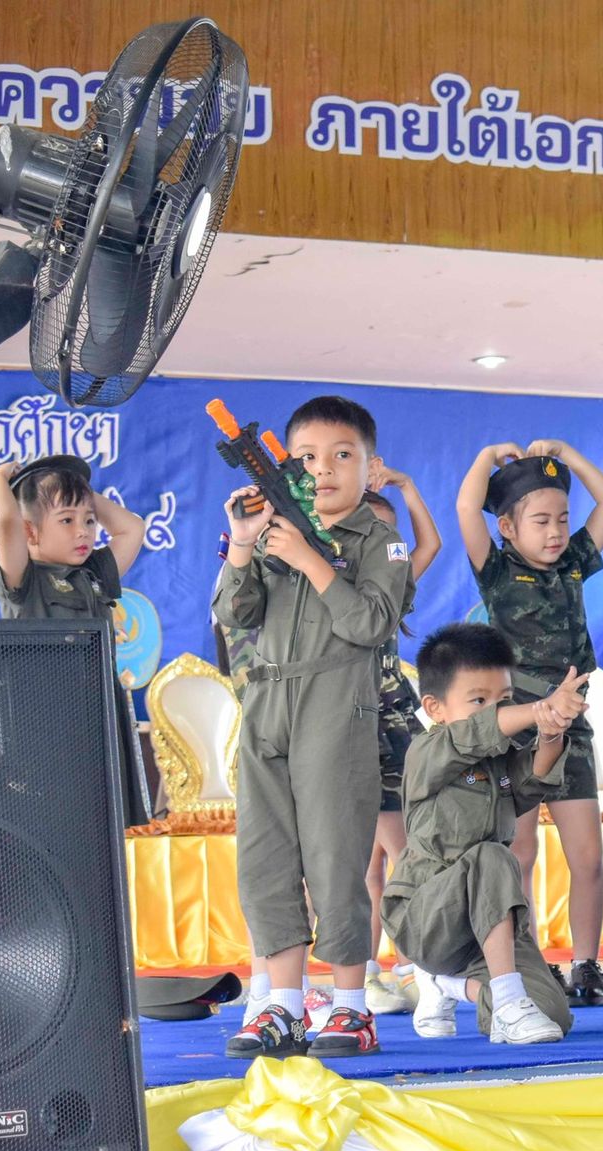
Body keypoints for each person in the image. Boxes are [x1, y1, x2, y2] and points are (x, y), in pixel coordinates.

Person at [215, 396, 412, 1059]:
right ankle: (283, 1006)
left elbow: (371, 623)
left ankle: (352, 1006)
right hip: (266, 703)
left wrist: (309, 559)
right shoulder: (275, 531)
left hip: (335, 705)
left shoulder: (381, 541)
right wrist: (245, 544)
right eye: (306, 457)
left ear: (370, 467)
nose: (322, 469)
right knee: (264, 863)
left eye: (341, 455)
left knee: (335, 860)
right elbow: (235, 613)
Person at [458, 438, 603, 1008]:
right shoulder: (496, 570)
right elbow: (466, 508)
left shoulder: (573, 564)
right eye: (540, 521)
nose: (555, 532)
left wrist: (569, 456)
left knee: (588, 857)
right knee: (521, 851)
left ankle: (586, 966)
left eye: (562, 519)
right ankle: (525, 962)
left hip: (571, 726)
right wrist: (486, 456)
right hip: (518, 727)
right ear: (507, 527)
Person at [386, 624, 589, 1044]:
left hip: (488, 921)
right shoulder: (427, 751)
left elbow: (534, 778)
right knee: (493, 856)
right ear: (435, 708)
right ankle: (509, 1003)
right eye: (478, 700)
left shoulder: (500, 761)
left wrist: (552, 728)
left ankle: (450, 987)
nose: (494, 711)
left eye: (504, 699)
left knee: (553, 1015)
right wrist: (540, 708)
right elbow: (475, 733)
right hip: (427, 919)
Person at [0, 455, 151, 826]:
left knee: (106, 829)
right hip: (45, 729)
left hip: (99, 719)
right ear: (30, 533)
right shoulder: (23, 580)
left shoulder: (94, 574)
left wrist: (77, 490)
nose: (83, 532)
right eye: (66, 521)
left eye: (89, 521)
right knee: (57, 829)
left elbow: (132, 528)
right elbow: (7, 522)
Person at [359, 466, 442, 1018]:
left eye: (390, 535)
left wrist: (407, 487)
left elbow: (430, 544)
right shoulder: (335, 586)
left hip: (396, 728)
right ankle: (373, 973)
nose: (385, 545)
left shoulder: (393, 584)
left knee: (403, 854)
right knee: (371, 863)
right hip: (350, 725)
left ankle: (410, 967)